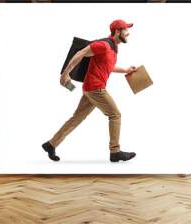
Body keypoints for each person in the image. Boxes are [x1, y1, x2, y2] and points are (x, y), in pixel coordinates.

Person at [42, 19, 137, 162]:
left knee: (77, 118)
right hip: (95, 88)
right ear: (117, 31)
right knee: (115, 115)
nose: (128, 33)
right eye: (126, 30)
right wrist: (66, 73)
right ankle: (115, 151)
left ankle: (51, 144)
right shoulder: (104, 45)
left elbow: (108, 67)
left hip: (90, 88)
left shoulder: (113, 49)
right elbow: (80, 53)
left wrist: (125, 70)